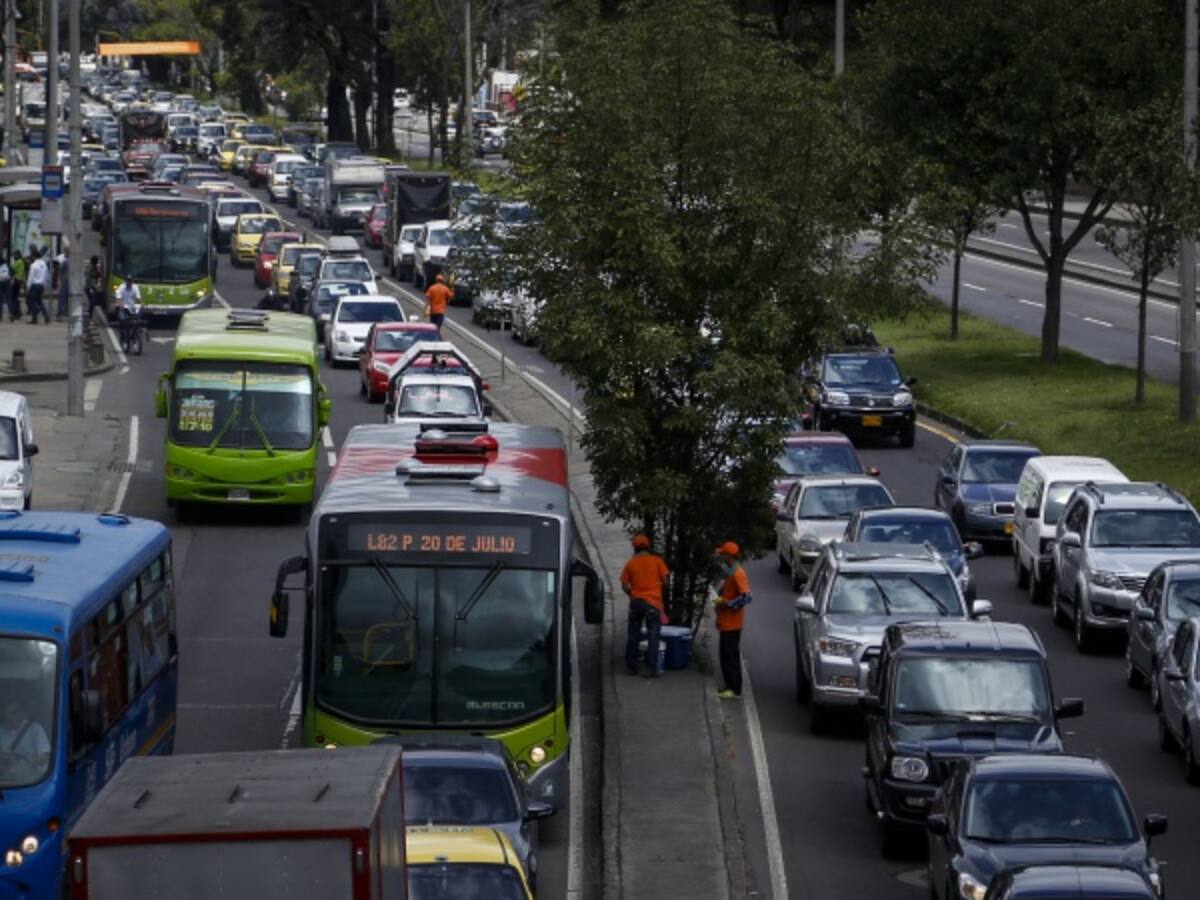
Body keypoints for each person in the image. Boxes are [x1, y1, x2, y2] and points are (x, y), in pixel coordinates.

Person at [621, 533, 670, 677]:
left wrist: (632, 595)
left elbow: (624, 585)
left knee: (633, 634)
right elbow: (666, 582)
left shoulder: (631, 563)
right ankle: (652, 668)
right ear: (648, 546)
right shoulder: (657, 561)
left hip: (637, 602)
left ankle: (632, 666)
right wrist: (659, 593)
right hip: (653, 603)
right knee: (653, 634)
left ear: (635, 548)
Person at [712, 541, 752, 699]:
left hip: (732, 623)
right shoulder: (731, 571)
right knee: (726, 654)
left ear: (729, 556)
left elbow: (747, 597)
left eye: (723, 554)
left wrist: (727, 603)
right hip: (726, 621)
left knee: (730, 656)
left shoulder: (738, 574)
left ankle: (734, 688)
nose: (721, 556)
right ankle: (730, 686)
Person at [115, 275, 141, 348]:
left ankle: (136, 334)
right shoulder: (121, 288)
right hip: (123, 307)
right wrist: (121, 305)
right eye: (128, 281)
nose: (129, 283)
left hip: (132, 308)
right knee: (122, 320)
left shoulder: (135, 288)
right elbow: (118, 299)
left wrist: (141, 304)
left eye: (130, 281)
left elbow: (138, 299)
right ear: (125, 281)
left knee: (137, 320)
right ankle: (122, 335)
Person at [25, 250, 49, 324]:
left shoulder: (33, 265)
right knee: (39, 301)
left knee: (30, 300)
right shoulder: (44, 264)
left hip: (34, 285)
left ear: (34, 257)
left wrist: (28, 287)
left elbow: (30, 277)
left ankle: (36, 310)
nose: (31, 258)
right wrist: (44, 285)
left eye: (31, 256)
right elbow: (46, 275)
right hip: (41, 285)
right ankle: (44, 315)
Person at [9, 252, 25, 322]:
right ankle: (18, 313)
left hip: (16, 281)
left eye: (14, 255)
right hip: (20, 281)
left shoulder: (18, 262)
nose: (13, 257)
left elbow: (12, 268)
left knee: (14, 298)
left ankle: (15, 313)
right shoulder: (21, 261)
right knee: (17, 298)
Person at [53, 249, 68, 321]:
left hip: (65, 282)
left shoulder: (65, 261)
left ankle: (59, 315)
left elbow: (59, 269)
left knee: (62, 299)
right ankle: (65, 312)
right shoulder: (73, 261)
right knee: (67, 299)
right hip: (71, 282)